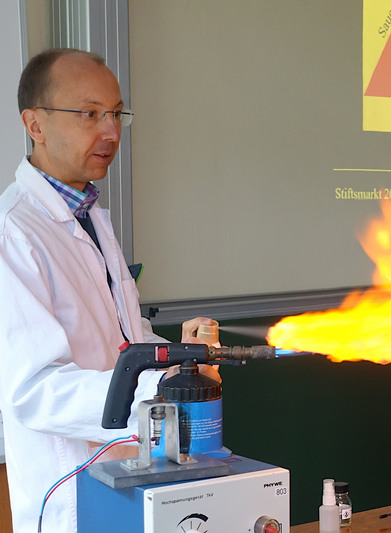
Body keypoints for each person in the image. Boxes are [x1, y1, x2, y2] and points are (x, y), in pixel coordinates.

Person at [0, 48, 218, 533]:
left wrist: (180, 357)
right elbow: (33, 391)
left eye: (117, 113)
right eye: (89, 114)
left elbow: (124, 338)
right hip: (72, 498)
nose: (111, 131)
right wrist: (159, 386)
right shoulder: (13, 234)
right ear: (34, 124)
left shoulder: (91, 216)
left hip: (129, 478)